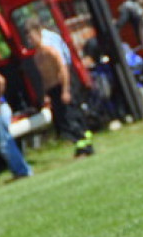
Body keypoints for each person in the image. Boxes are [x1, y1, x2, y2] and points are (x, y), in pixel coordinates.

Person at [23, 17, 94, 158]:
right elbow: (44, 76)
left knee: (71, 116)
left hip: (63, 84)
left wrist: (66, 90)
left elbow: (63, 68)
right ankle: (81, 145)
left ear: (39, 33)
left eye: (32, 37)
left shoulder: (50, 48)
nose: (30, 41)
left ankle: (84, 146)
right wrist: (46, 94)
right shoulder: (37, 56)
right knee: (62, 119)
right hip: (52, 88)